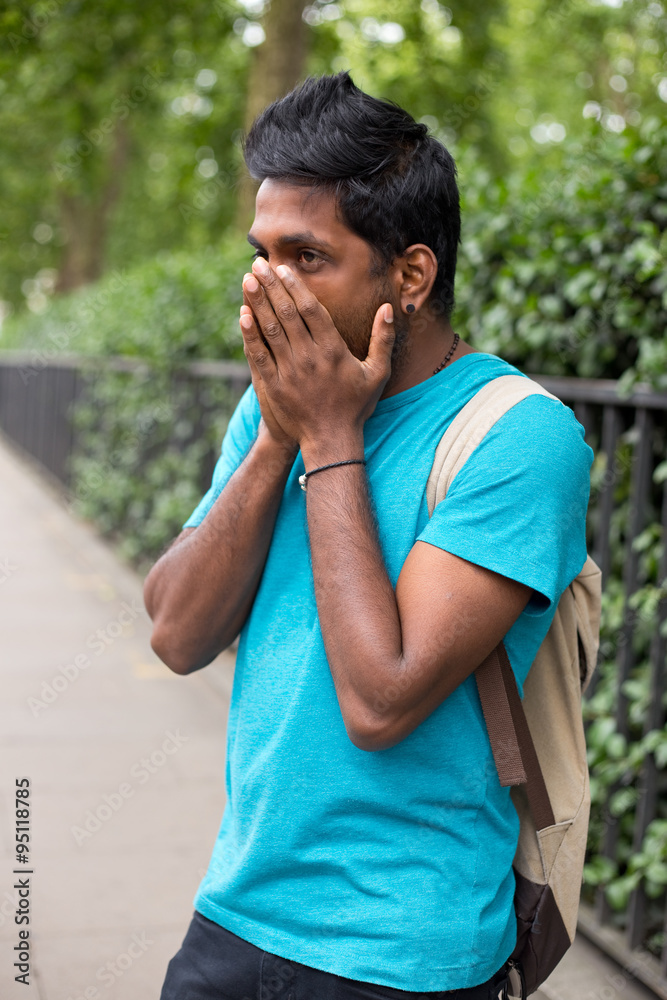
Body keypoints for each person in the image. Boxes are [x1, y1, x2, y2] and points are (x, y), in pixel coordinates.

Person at [145, 71, 592, 1000]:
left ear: (411, 274)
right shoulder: (275, 409)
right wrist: (280, 432)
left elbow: (380, 702)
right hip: (235, 913)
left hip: (400, 954)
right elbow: (177, 634)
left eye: (305, 257)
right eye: (259, 254)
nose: (267, 286)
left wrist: (331, 435)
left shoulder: (518, 437)